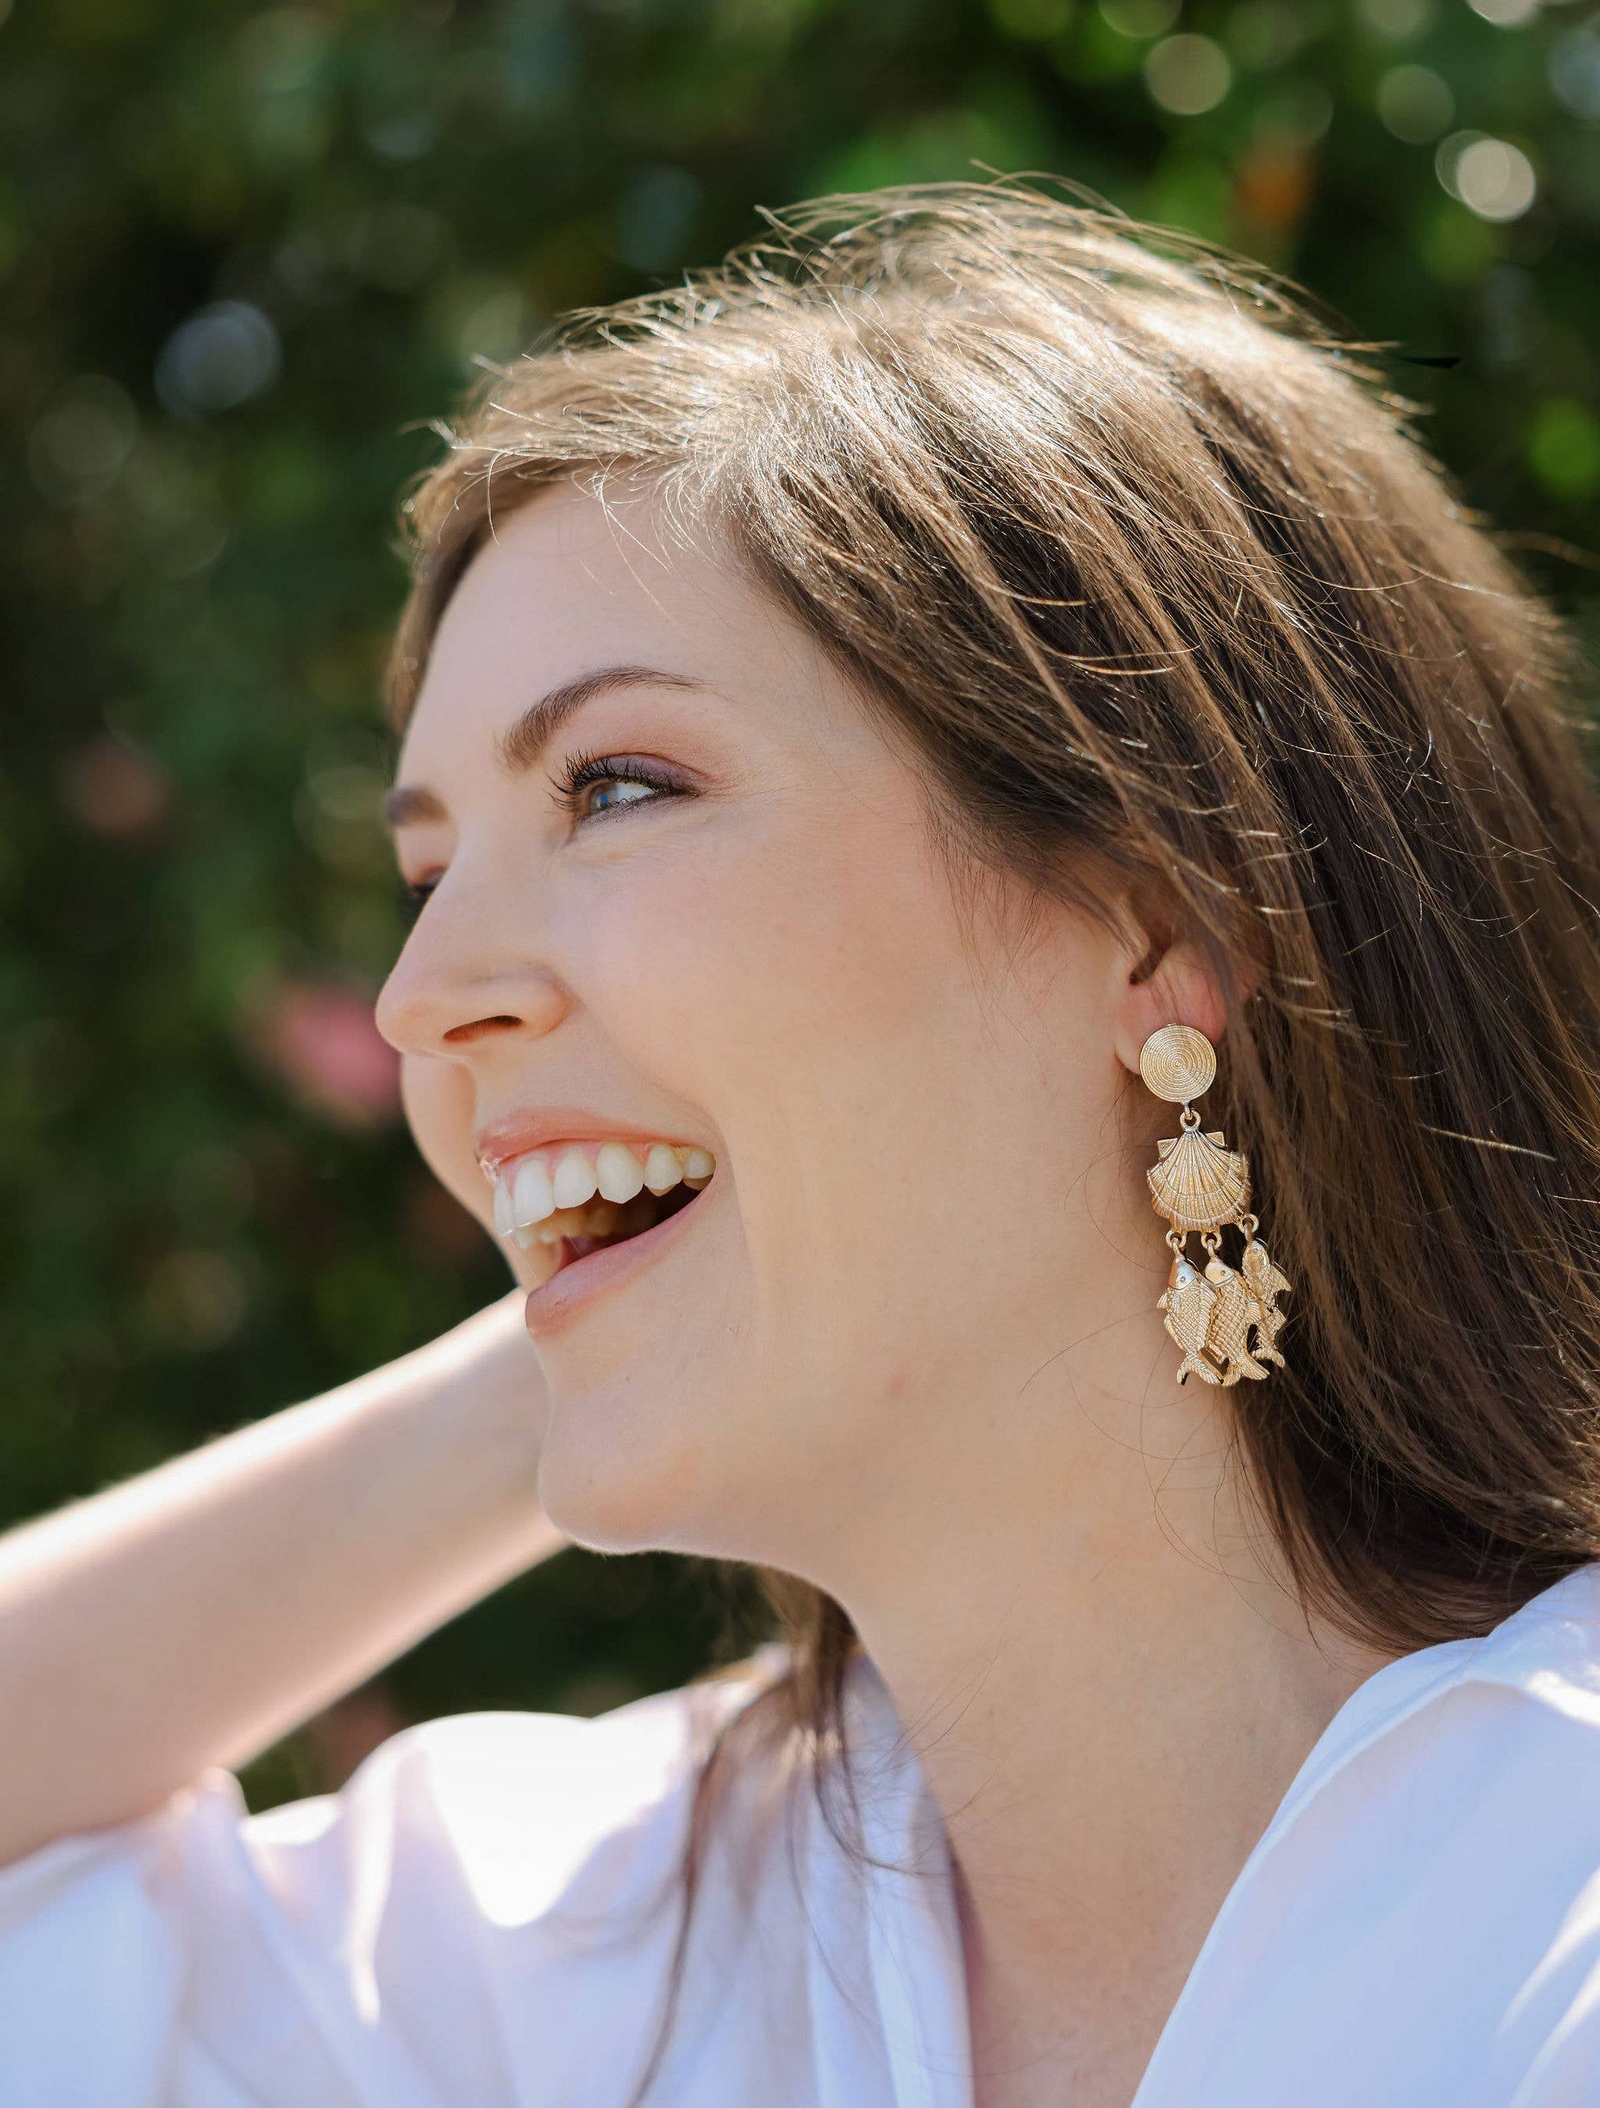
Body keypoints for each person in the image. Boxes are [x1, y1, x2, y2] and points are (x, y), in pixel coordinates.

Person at [5, 183, 1600, 2108]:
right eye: (425, 872)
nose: (424, 995)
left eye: (616, 786)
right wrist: (581, 1346)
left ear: (1162, 923)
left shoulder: (1550, 1880)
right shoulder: (592, 1945)